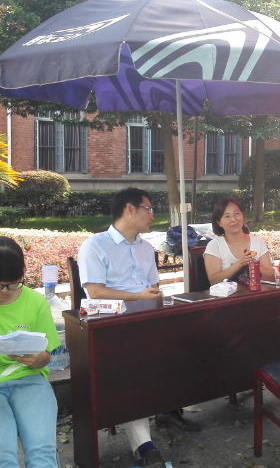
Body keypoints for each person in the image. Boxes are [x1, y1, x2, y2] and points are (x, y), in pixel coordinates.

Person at [78, 188, 200, 468]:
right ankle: (144, 446)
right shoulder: (95, 246)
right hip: (113, 326)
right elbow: (95, 292)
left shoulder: (146, 247)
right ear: (129, 209)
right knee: (133, 368)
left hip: (148, 319)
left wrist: (156, 300)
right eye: (148, 208)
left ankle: (168, 409)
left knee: (193, 340)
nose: (152, 215)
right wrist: (138, 297)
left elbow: (152, 287)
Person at [0, 237, 59, 467]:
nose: (4, 291)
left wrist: (40, 360)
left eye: (12, 284)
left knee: (42, 453)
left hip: (29, 380)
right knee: (4, 457)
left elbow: (46, 356)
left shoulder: (35, 302)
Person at [204, 198, 273, 285]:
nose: (233, 219)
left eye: (236, 214)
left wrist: (253, 263)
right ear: (219, 223)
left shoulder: (258, 242)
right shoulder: (214, 246)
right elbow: (214, 281)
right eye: (227, 216)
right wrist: (240, 263)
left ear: (242, 216)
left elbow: (271, 275)